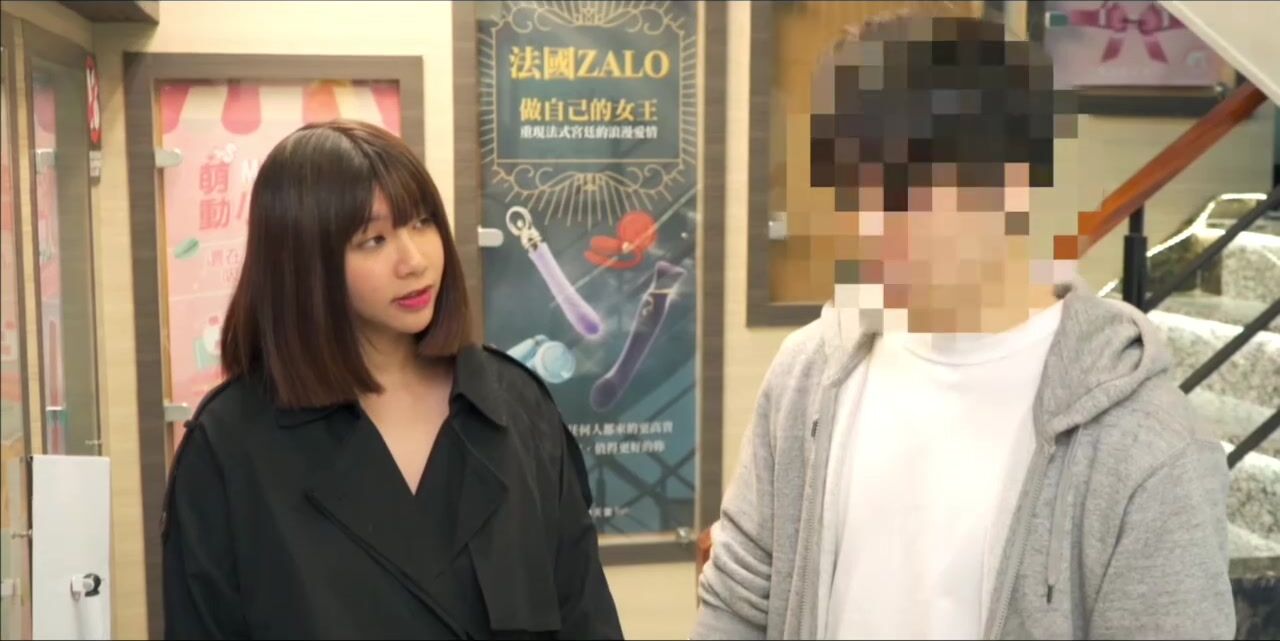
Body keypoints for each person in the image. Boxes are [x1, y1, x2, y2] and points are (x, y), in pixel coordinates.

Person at [693, 12, 1234, 641]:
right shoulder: (808, 374)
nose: (870, 223)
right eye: (854, 184)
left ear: (1011, 182)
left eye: (906, 189)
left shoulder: (1147, 447)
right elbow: (737, 606)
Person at [162, 119, 623, 639]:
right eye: (374, 240)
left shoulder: (516, 405)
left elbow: (585, 615)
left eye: (422, 223)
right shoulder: (230, 444)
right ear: (303, 261)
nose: (414, 261)